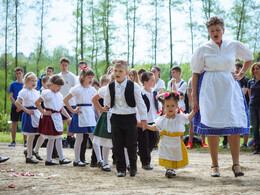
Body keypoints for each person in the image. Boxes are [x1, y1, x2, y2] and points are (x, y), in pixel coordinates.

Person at [191, 16, 254, 177]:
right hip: (209, 89)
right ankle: (215, 165)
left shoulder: (233, 45)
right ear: (209, 33)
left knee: (233, 125)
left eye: (218, 30)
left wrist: (241, 74)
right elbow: (196, 74)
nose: (215, 33)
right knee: (212, 127)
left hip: (229, 87)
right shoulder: (203, 48)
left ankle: (236, 165)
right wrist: (194, 98)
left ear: (223, 30)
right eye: (212, 31)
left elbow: (249, 57)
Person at [104, 60, 148, 177]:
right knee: (117, 145)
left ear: (127, 72)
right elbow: (107, 101)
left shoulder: (133, 86)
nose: (117, 73)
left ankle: (133, 167)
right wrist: (106, 106)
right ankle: (121, 169)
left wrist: (143, 119)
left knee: (131, 144)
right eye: (115, 71)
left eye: (120, 71)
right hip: (116, 118)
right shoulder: (110, 86)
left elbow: (140, 103)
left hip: (130, 118)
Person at [147, 91, 196, 178]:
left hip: (176, 141)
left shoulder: (179, 117)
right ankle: (168, 169)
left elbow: (188, 117)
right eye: (168, 106)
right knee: (166, 155)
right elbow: (156, 127)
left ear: (177, 106)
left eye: (173, 105)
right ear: (164, 107)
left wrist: (194, 111)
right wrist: (147, 126)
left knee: (175, 155)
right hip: (165, 142)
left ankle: (172, 169)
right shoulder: (161, 119)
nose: (170, 108)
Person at [64, 68, 102, 167]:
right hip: (80, 114)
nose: (91, 79)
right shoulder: (77, 88)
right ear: (82, 77)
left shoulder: (93, 89)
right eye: (88, 77)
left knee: (94, 138)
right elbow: (65, 100)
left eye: (92, 77)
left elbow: (95, 102)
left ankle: (100, 160)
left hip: (90, 114)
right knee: (79, 138)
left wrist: (99, 114)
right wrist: (73, 111)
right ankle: (76, 160)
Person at [35, 75, 72, 165]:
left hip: (57, 117)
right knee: (51, 139)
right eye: (58, 86)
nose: (59, 88)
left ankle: (61, 158)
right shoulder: (46, 93)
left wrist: (68, 117)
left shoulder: (60, 95)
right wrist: (43, 112)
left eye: (60, 86)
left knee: (59, 138)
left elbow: (61, 108)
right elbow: (37, 103)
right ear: (51, 84)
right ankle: (49, 159)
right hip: (49, 117)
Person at [15, 72, 45, 164]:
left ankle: (35, 150)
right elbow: (17, 102)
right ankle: (29, 156)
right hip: (29, 115)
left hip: (37, 114)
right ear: (27, 81)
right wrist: (26, 110)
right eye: (32, 81)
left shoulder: (36, 92)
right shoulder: (23, 91)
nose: (34, 83)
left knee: (43, 134)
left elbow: (39, 104)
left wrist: (42, 112)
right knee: (31, 136)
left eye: (35, 81)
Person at [138, 72, 160, 170]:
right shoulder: (140, 93)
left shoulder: (155, 92)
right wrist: (139, 121)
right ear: (145, 82)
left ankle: (143, 153)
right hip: (143, 120)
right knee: (144, 141)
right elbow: (137, 108)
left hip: (154, 120)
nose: (154, 82)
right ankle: (145, 162)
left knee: (154, 139)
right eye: (152, 80)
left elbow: (157, 106)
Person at [92, 74, 112, 171]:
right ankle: (105, 163)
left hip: (120, 116)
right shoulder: (105, 89)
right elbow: (94, 99)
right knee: (106, 141)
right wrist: (101, 109)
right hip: (108, 115)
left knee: (123, 141)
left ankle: (127, 163)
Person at [58, 57, 77, 146]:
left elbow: (75, 89)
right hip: (60, 103)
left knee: (70, 121)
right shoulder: (57, 76)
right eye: (63, 65)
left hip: (71, 102)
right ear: (60, 65)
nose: (64, 67)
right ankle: (60, 138)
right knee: (61, 121)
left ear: (68, 66)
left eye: (66, 65)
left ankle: (69, 138)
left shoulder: (72, 76)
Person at [186, 77, 208, 149]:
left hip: (203, 104)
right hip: (194, 104)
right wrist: (192, 103)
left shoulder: (204, 77)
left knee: (203, 122)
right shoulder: (191, 79)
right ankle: (190, 142)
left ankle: (203, 141)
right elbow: (189, 92)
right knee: (192, 123)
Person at [8, 67, 26, 147]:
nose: (18, 75)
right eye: (17, 74)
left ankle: (25, 141)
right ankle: (13, 141)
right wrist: (17, 105)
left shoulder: (25, 85)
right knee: (14, 123)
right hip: (14, 106)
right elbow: (11, 97)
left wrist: (21, 106)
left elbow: (26, 97)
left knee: (24, 123)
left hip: (23, 107)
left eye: (20, 73)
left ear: (23, 73)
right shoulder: (13, 84)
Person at [235, 62, 250, 148]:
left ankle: (245, 143)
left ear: (242, 69)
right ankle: (226, 142)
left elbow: (243, 93)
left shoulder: (246, 80)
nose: (236, 70)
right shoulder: (233, 79)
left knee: (245, 123)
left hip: (244, 105)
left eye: (238, 68)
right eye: (235, 68)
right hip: (234, 105)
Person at [247, 62, 260, 154]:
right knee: (255, 127)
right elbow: (249, 94)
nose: (255, 70)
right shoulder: (250, 82)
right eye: (254, 69)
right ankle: (257, 147)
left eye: (257, 68)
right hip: (252, 106)